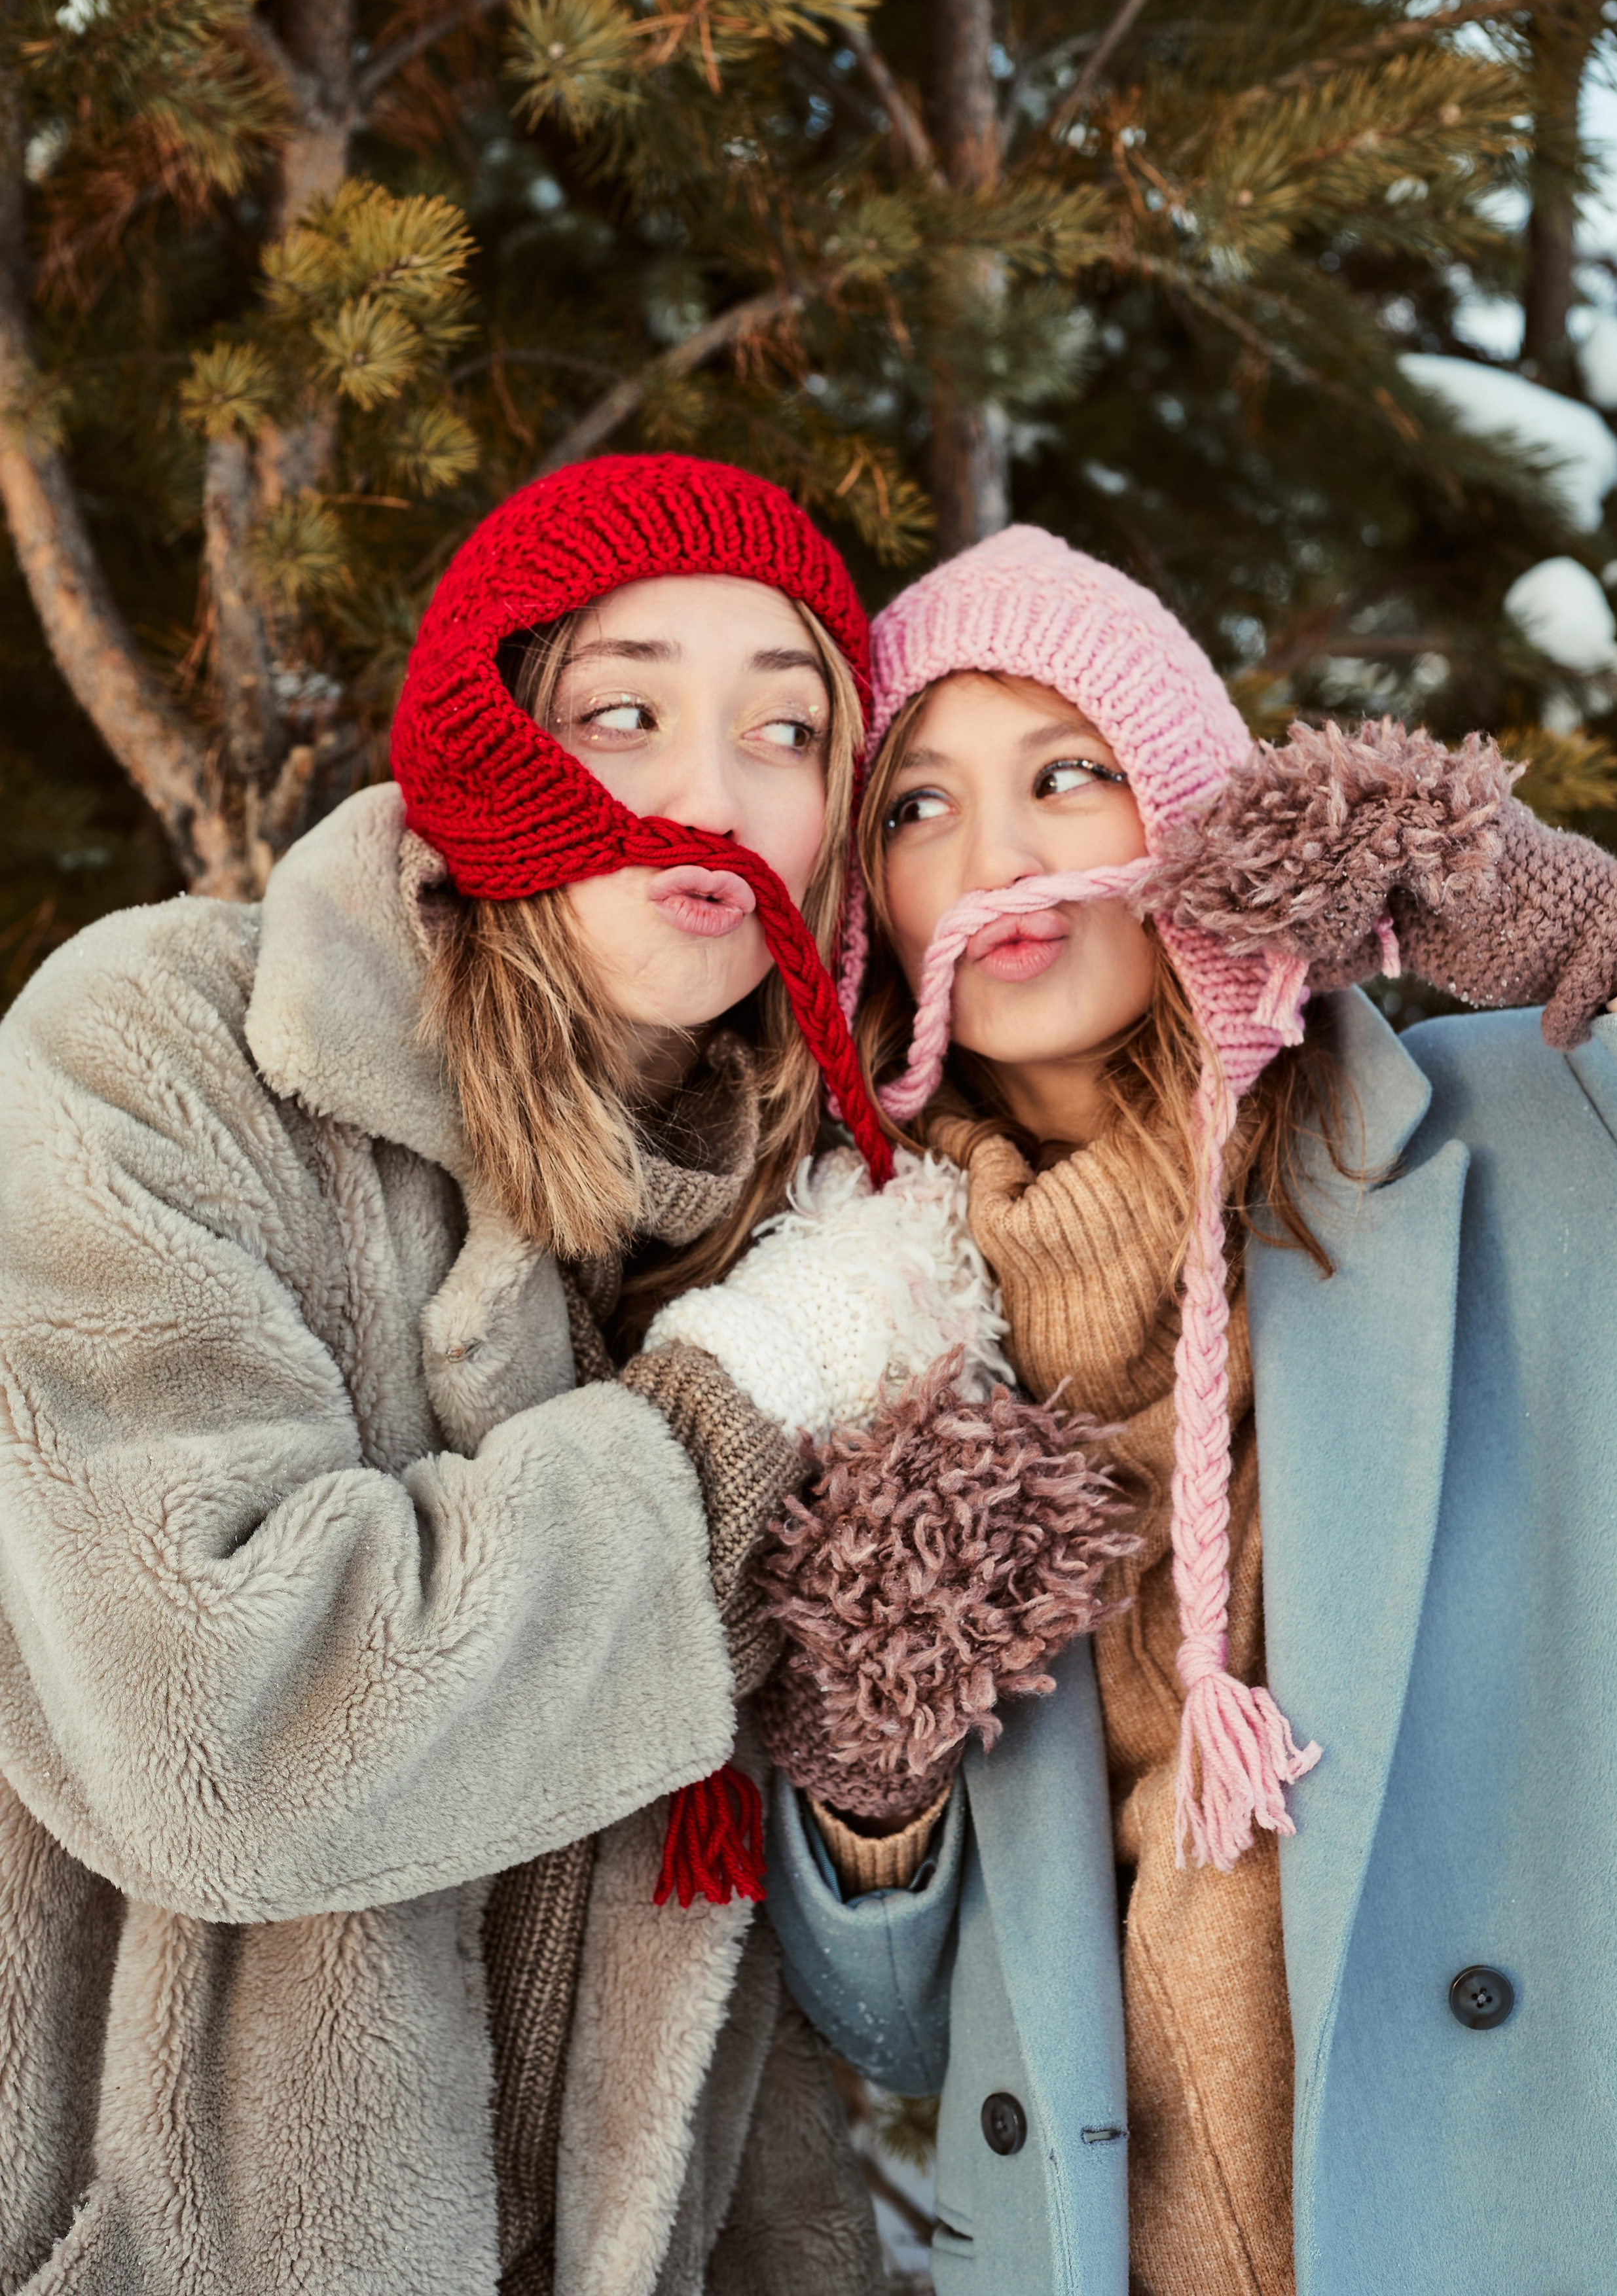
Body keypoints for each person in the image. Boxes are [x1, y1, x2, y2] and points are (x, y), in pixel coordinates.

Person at [0, 452, 985, 2296]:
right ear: (492, 743)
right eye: (626, 715)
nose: (713, 799)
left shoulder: (808, 1215)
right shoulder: (160, 1051)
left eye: (787, 734)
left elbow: (755, 2003)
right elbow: (219, 1722)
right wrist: (733, 1414)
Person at [752, 523, 1617, 2296]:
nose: (999, 857)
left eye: (1066, 775)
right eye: (919, 807)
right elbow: (896, 2029)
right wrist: (876, 1763)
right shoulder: (878, 1350)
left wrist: (1602, 940)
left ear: (1191, 812)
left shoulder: (1533, 1133)